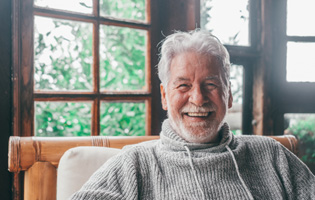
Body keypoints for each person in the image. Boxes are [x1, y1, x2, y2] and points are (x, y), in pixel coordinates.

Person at [70, 29, 315, 199]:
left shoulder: (273, 155)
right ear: (165, 96)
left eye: (211, 85)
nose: (198, 98)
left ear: (228, 95)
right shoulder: (133, 164)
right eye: (183, 85)